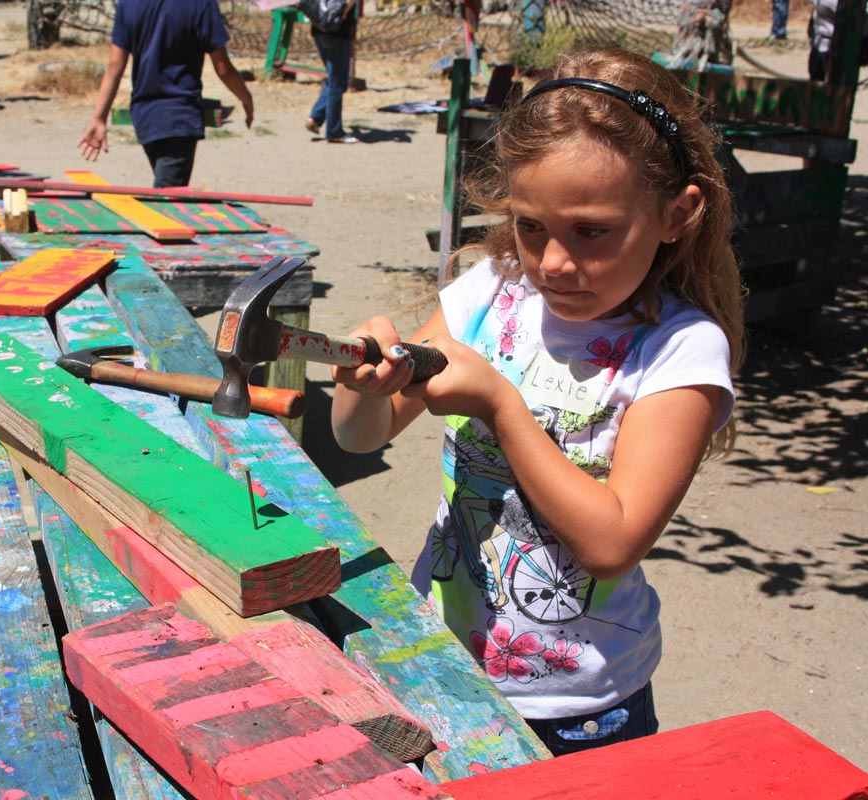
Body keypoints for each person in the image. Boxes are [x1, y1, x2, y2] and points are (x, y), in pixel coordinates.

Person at [329, 47, 745, 756]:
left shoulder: (680, 351)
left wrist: (503, 408)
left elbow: (612, 541)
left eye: (592, 232)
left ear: (676, 214)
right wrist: (360, 386)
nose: (553, 261)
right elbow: (360, 439)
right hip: (444, 656)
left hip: (578, 707)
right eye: (531, 227)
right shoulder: (491, 294)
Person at [77, 0, 253, 188]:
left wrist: (99, 117)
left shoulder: (128, 3)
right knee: (167, 201)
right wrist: (246, 98)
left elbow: (115, 67)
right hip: (179, 116)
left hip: (145, 116)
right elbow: (223, 68)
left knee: (168, 194)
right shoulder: (201, 4)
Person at [303, 0, 358, 143]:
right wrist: (343, 11)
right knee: (337, 83)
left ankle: (315, 117)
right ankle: (334, 131)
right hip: (337, 30)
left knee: (335, 79)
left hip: (319, 29)